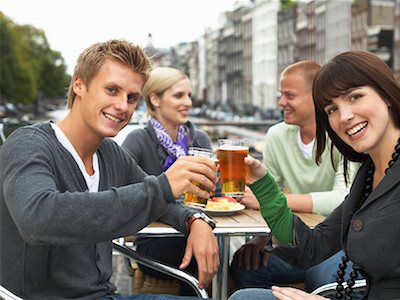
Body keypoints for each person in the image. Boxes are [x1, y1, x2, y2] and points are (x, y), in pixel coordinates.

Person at [0, 39, 219, 300]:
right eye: (112, 90)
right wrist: (163, 186)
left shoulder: (111, 154)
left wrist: (196, 220)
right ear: (79, 84)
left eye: (131, 97)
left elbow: (160, 202)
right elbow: (37, 218)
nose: (122, 106)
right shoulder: (28, 144)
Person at [229, 50, 400, 300]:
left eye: (355, 97)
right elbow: (310, 249)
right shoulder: (369, 175)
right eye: (332, 109)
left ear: (387, 94)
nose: (344, 117)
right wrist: (264, 186)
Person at [230, 61, 358, 293]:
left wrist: (270, 200)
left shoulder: (343, 135)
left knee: (321, 274)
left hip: (341, 243)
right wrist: (261, 240)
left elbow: (341, 199)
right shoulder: (277, 135)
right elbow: (268, 195)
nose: (281, 103)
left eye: (289, 95)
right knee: (245, 265)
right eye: (281, 95)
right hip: (302, 238)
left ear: (316, 97)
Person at [121, 67, 212, 295]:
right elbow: (125, 194)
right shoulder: (137, 140)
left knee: (216, 248)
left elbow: (216, 191)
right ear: (155, 99)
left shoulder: (199, 138)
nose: (188, 102)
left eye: (189, 95)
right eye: (179, 95)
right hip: (153, 243)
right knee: (193, 247)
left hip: (201, 228)